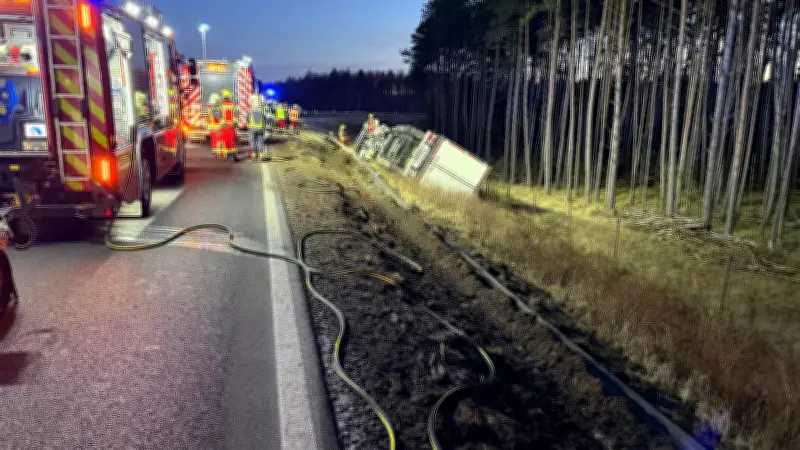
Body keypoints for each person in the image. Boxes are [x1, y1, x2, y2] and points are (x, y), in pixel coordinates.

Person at [246, 94, 268, 161]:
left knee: (253, 142)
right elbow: (265, 119)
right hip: (260, 129)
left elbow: (247, 119)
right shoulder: (262, 111)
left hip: (252, 129)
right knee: (260, 142)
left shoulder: (250, 111)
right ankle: (261, 156)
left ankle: (254, 156)